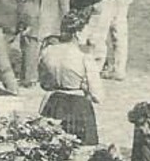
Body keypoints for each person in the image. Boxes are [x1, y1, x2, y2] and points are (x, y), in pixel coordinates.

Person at [37, 9, 103, 144]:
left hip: (53, 104)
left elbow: (43, 83)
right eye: (86, 31)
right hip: (78, 108)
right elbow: (97, 95)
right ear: (78, 33)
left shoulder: (47, 51)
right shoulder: (84, 56)